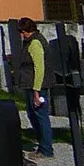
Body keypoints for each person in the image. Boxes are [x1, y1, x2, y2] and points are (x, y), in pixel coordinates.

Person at [18, 17, 54, 156]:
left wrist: (36, 91)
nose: (22, 35)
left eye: (23, 32)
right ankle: (42, 145)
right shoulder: (31, 42)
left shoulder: (35, 43)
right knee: (33, 115)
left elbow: (39, 68)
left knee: (40, 116)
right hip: (31, 84)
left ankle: (46, 149)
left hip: (37, 85)